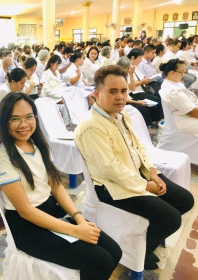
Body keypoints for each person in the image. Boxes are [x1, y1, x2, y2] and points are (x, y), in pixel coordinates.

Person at [0, 92, 122, 280]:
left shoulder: (37, 144)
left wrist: (78, 218)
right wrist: (76, 230)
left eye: (29, 117)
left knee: (115, 251)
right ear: (4, 122)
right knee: (101, 261)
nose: (24, 124)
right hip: (27, 227)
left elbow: (56, 186)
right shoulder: (3, 159)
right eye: (15, 119)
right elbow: (26, 211)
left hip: (50, 211)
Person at [74, 65, 194, 270]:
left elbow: (139, 147)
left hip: (136, 175)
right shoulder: (91, 126)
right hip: (112, 188)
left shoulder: (121, 115)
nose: (120, 97)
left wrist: (153, 173)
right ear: (97, 93)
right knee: (172, 219)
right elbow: (110, 169)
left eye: (123, 91)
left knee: (185, 200)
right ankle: (138, 253)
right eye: (112, 92)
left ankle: (145, 242)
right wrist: (146, 186)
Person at [117, 57, 163, 126]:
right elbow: (122, 97)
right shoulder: (117, 78)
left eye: (129, 68)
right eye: (127, 68)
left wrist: (131, 74)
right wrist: (137, 102)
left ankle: (155, 122)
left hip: (129, 97)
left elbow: (132, 88)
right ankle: (146, 129)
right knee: (144, 110)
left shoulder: (126, 75)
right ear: (121, 68)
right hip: (124, 100)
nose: (128, 70)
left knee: (154, 101)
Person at [159, 59, 198, 134]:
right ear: (172, 73)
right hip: (184, 121)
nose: (183, 75)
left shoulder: (172, 83)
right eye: (181, 72)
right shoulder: (173, 92)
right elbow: (192, 112)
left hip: (185, 114)